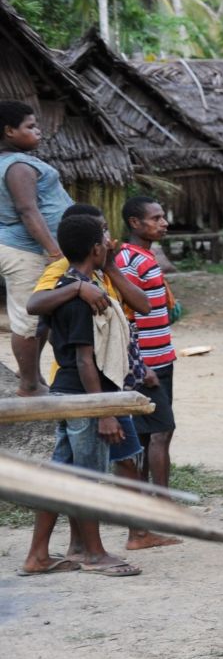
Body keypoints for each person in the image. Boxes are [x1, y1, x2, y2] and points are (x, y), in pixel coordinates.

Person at [19, 214, 141, 577]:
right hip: (82, 397)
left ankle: (37, 555)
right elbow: (85, 360)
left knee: (63, 475)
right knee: (87, 478)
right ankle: (95, 553)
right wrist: (103, 411)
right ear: (95, 249)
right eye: (104, 238)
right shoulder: (79, 296)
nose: (110, 242)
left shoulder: (74, 284)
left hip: (68, 394)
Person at [0, 102, 74, 394]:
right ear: (9, 131)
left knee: (40, 317)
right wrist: (55, 252)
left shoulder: (15, 161)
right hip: (27, 252)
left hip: (31, 250)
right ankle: (29, 385)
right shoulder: (17, 167)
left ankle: (29, 375)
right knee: (29, 319)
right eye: (30, 126)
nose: (38, 131)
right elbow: (28, 211)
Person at [112, 197, 179, 507]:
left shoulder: (142, 257)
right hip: (148, 363)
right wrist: (138, 364)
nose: (163, 223)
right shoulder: (131, 260)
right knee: (161, 431)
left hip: (160, 356)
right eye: (155, 218)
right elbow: (123, 316)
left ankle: (143, 501)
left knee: (145, 433)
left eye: (163, 217)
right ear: (135, 224)